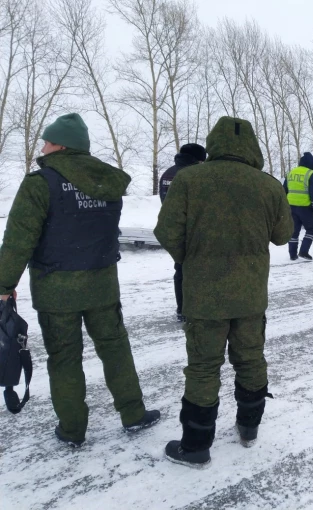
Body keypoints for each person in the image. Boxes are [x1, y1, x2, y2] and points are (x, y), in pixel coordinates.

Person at [0, 113, 160, 448]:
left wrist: (3, 285)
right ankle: (133, 414)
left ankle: (72, 430)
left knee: (64, 358)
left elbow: (19, 240)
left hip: (56, 289)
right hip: (102, 284)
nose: (42, 147)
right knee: (116, 349)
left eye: (46, 141)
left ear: (60, 145)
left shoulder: (40, 183)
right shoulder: (106, 182)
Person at [155, 116, 293, 468]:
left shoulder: (188, 179)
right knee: (250, 358)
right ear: (252, 146)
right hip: (250, 294)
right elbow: (282, 235)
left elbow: (167, 231)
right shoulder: (268, 185)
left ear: (214, 142)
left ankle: (197, 446)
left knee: (203, 367)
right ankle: (249, 428)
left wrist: (192, 259)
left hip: (204, 295)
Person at [159, 143, 207, 322]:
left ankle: (182, 309)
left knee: (180, 269)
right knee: (197, 271)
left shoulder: (167, 174)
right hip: (194, 230)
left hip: (174, 229)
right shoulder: (194, 175)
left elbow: (164, 201)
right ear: (198, 159)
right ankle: (195, 309)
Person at [283, 152, 313, 260]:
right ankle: (303, 252)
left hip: (291, 207)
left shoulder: (291, 173)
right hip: (305, 207)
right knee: (311, 230)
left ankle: (292, 254)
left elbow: (283, 190)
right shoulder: (311, 174)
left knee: (294, 231)